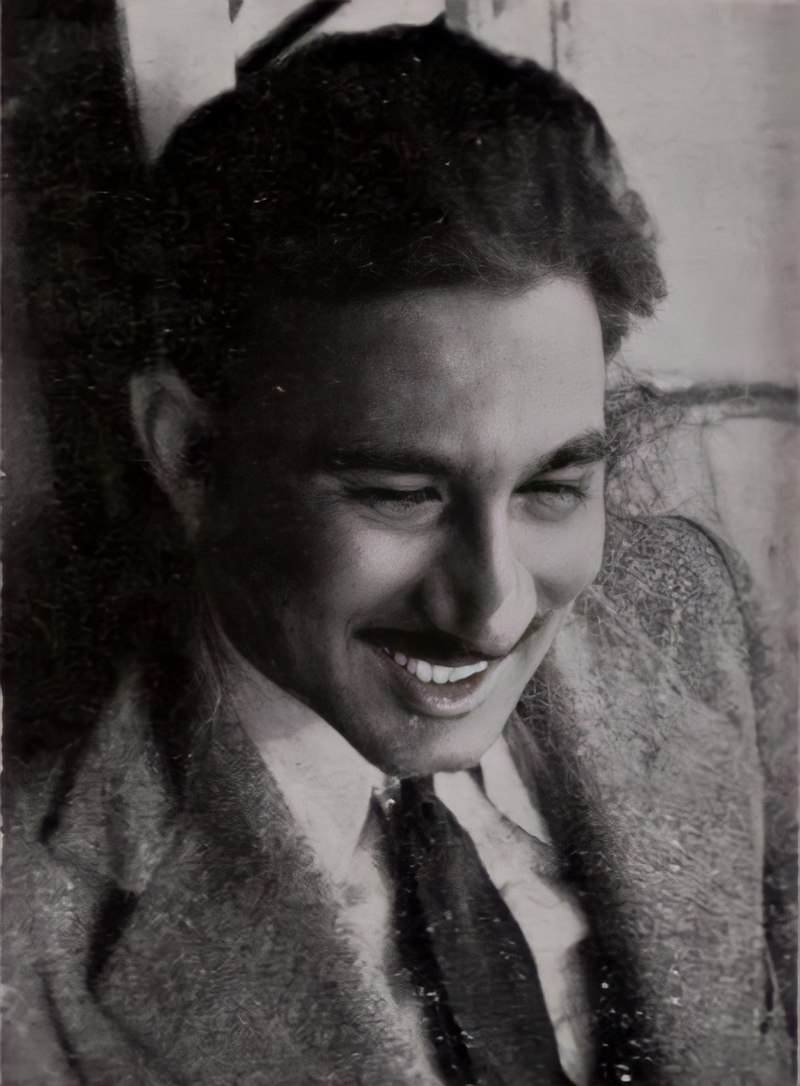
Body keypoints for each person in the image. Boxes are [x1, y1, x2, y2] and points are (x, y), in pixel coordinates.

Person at [3, 17, 794, 1086]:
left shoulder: (695, 613)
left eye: (553, 486)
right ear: (189, 455)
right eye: (398, 495)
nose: (493, 610)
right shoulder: (30, 928)